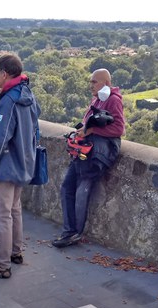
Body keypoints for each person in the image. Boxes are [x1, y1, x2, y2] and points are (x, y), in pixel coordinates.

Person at [0, 54, 40, 279]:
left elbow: (0, 137)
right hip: (24, 161)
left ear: (5, 73)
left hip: (7, 163)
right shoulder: (28, 94)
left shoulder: (8, 100)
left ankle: (2, 265)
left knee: (2, 214)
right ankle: (16, 252)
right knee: (15, 209)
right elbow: (34, 127)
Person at [52, 68, 125, 248]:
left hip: (96, 155)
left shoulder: (113, 100)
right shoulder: (99, 99)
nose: (90, 85)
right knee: (67, 187)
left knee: (80, 189)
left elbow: (118, 129)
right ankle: (70, 230)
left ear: (106, 83)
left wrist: (92, 130)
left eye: (94, 82)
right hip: (86, 152)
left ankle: (74, 232)